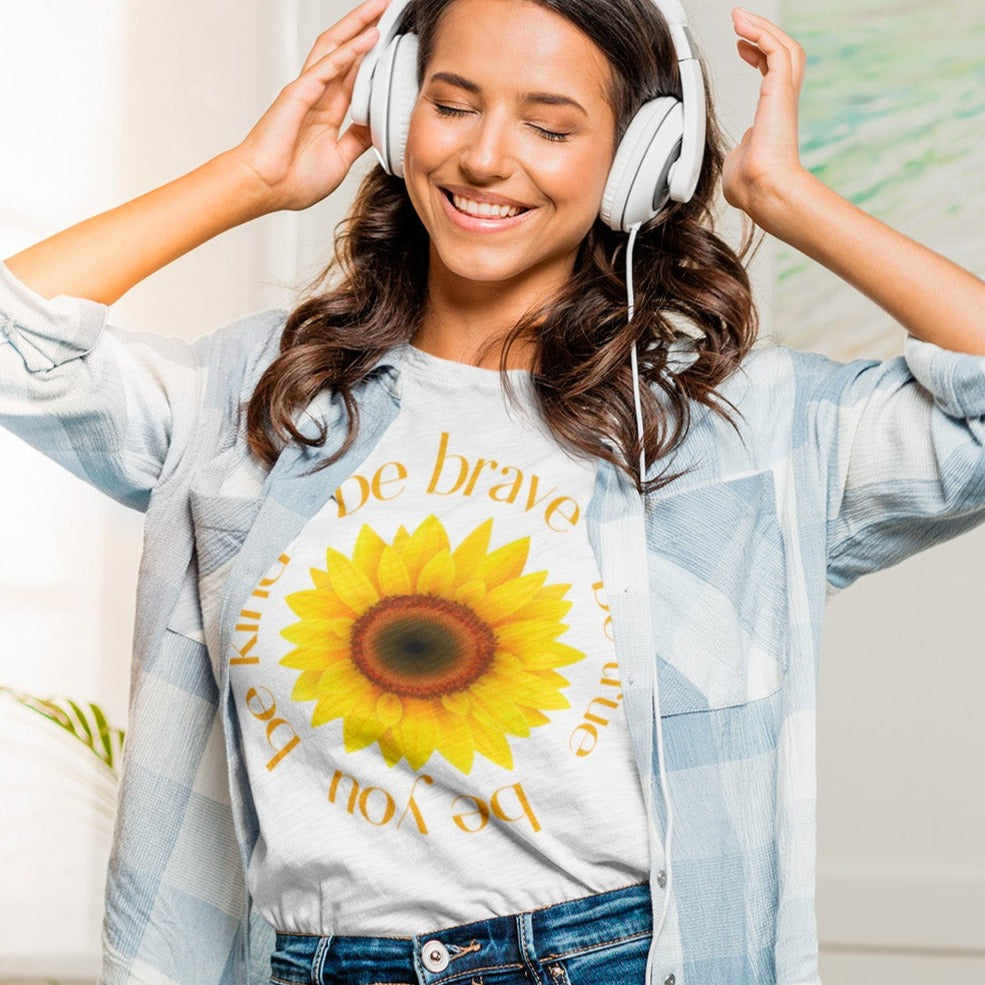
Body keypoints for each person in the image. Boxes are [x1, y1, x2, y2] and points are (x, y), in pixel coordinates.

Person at [2, 0, 984, 983]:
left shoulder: (735, 427)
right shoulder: (257, 394)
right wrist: (248, 179)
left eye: (549, 127)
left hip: (599, 957)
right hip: (310, 960)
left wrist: (787, 197)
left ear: (644, 160)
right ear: (395, 112)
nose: (482, 157)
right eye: (451, 104)